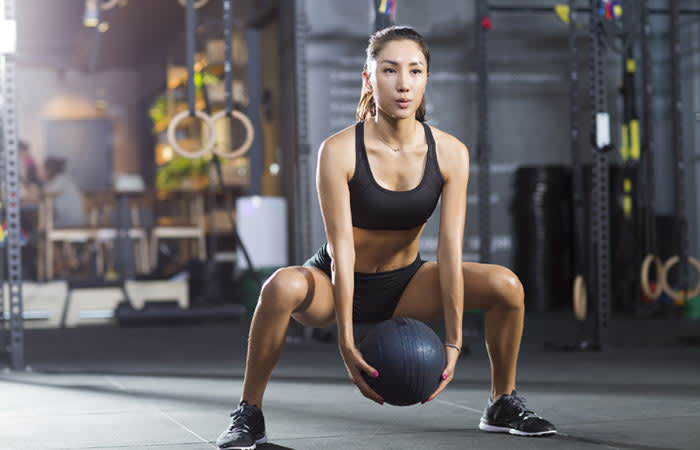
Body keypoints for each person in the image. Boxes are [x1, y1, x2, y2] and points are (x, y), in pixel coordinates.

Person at [216, 25, 556, 449]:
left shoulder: (450, 152)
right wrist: (345, 340)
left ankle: (502, 402)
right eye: (390, 70)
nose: (403, 83)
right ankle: (250, 413)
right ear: (368, 78)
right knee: (280, 286)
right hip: (336, 282)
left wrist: (453, 340)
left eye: (415, 71)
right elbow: (341, 249)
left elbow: (449, 251)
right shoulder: (338, 150)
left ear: (426, 79)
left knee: (507, 286)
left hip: (404, 284)